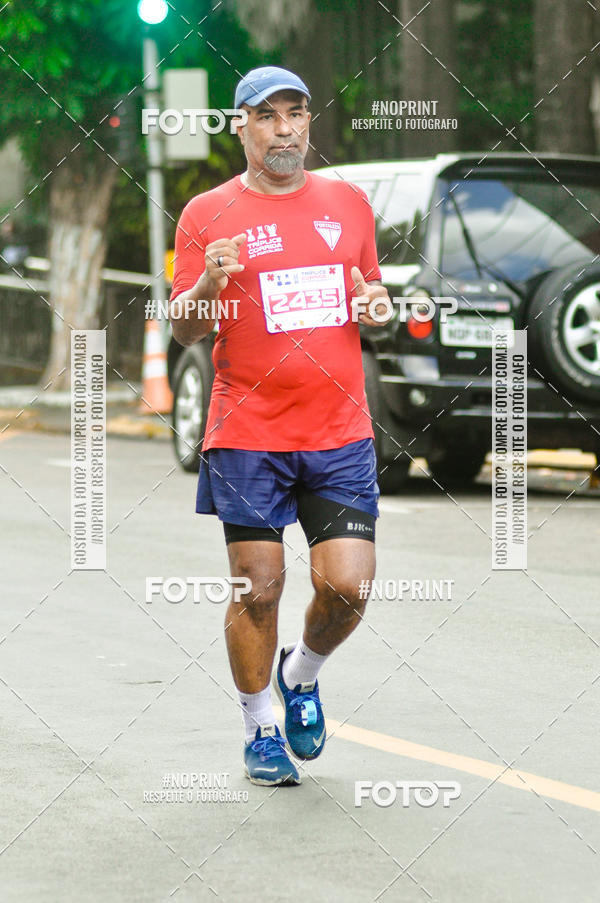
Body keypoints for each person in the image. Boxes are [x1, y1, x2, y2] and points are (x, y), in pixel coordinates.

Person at [170, 66, 391, 786]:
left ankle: (303, 673)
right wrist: (207, 283)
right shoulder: (207, 213)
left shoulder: (348, 203)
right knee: (258, 588)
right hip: (248, 430)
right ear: (241, 127)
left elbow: (367, 290)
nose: (286, 127)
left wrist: (376, 306)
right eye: (268, 116)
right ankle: (260, 725)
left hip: (338, 430)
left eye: (296, 112)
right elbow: (182, 331)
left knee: (349, 588)